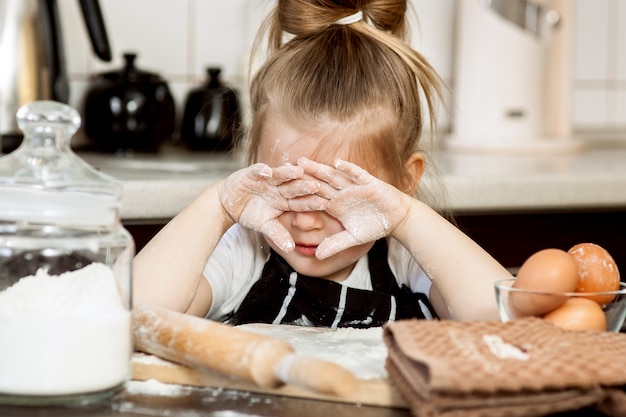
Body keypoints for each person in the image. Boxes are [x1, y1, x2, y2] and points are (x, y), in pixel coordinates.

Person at [133, 0, 512, 327]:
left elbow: (502, 318)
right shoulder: (244, 253)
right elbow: (133, 315)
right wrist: (217, 206)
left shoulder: (408, 259)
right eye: (287, 190)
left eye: (335, 195)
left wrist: (407, 220)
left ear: (403, 183)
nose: (305, 221)